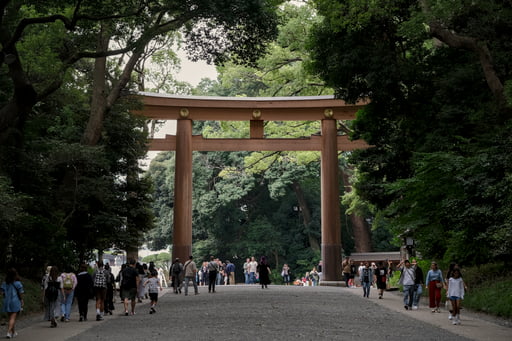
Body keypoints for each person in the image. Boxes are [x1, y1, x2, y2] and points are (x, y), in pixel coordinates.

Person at [1, 268, 24, 339]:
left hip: (6, 301)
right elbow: (20, 293)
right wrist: (21, 300)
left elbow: (2, 293)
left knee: (10, 318)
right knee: (13, 318)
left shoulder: (4, 283)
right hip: (15, 301)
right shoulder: (17, 283)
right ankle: (8, 332)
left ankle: (13, 332)